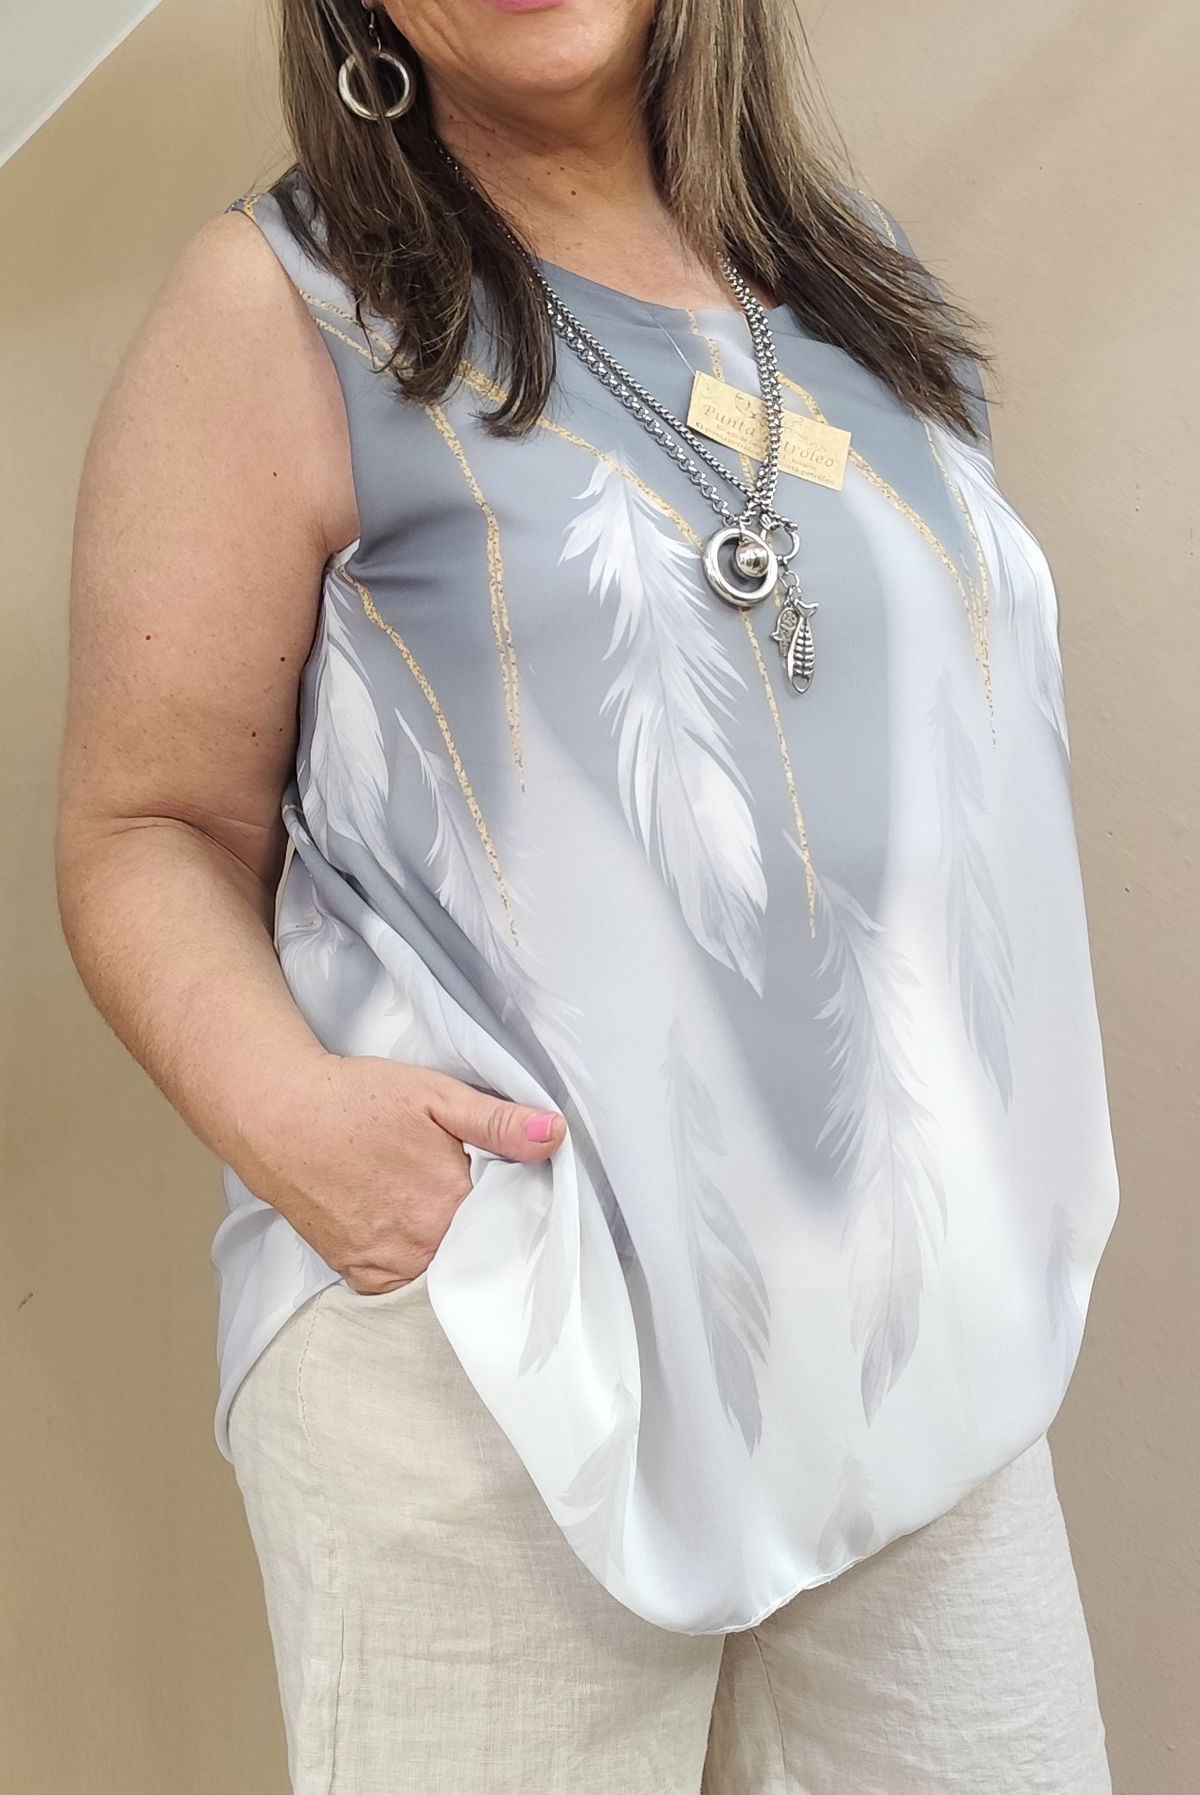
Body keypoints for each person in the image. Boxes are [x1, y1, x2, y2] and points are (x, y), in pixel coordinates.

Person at [55, 0, 1122, 1788]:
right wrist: (300, 1125)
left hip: (921, 1364)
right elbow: (144, 821)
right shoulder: (283, 307)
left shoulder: (867, 295)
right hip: (500, 1357)